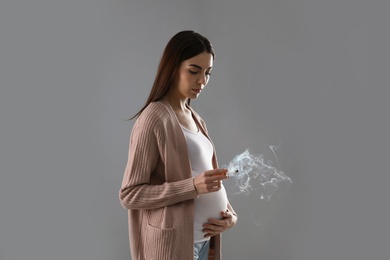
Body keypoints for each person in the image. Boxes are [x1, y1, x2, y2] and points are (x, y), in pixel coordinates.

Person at [119, 30, 237, 260]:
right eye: (194, 71)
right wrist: (191, 187)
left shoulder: (196, 118)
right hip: (172, 247)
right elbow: (130, 195)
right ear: (173, 67)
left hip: (204, 244)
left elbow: (205, 179)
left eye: (207, 72)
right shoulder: (154, 117)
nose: (202, 80)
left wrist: (230, 216)